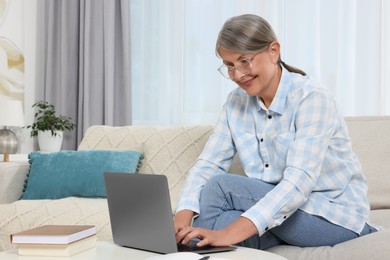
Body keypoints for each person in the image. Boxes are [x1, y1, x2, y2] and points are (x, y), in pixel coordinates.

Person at [173, 14, 375, 250]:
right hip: (281, 212)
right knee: (201, 230)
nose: (237, 75)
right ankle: (250, 237)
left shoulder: (312, 98)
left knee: (219, 188)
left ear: (273, 51)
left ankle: (246, 235)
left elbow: (297, 184)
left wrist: (227, 233)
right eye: (229, 65)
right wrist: (180, 223)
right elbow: (209, 164)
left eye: (245, 61)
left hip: (333, 217)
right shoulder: (235, 103)